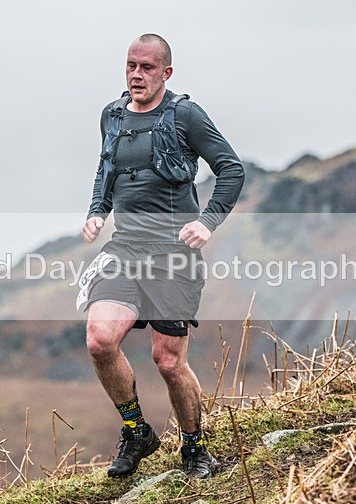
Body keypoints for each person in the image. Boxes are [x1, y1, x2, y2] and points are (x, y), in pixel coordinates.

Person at [81, 33, 245, 479]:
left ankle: (194, 448)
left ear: (166, 73)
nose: (136, 74)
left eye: (147, 67)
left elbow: (231, 168)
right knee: (99, 340)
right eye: (131, 65)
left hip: (174, 255)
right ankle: (137, 432)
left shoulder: (185, 115)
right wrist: (98, 211)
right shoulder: (111, 115)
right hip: (125, 249)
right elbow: (105, 168)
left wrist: (207, 221)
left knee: (168, 361)